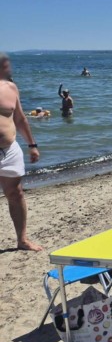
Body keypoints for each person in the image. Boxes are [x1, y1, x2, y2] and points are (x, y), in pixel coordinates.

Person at [0, 54, 42, 251]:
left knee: (15, 194)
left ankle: (22, 240)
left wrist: (32, 145)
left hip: (9, 150)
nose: (8, 68)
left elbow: (20, 119)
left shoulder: (11, 88)